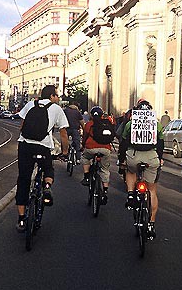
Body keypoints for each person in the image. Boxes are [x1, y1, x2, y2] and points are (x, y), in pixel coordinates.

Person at [15, 85, 69, 232]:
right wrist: (65, 152)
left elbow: (22, 126)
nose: (57, 98)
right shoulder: (57, 109)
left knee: (24, 179)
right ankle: (46, 188)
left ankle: (21, 219)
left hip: (25, 145)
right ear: (51, 96)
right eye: (56, 95)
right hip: (43, 146)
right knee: (48, 169)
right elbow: (63, 134)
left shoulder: (30, 104)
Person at [118, 99, 164, 240]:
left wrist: (122, 159)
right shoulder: (157, 124)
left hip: (134, 155)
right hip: (151, 157)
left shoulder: (130, 124)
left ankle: (131, 194)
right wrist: (159, 158)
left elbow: (124, 143)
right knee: (152, 190)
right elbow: (161, 144)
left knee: (130, 171)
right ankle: (151, 223)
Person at [80, 106, 115, 204]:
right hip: (105, 149)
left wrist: (83, 146)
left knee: (85, 158)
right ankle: (105, 190)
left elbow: (85, 137)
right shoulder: (107, 123)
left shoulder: (89, 124)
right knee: (105, 169)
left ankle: (86, 177)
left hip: (90, 148)